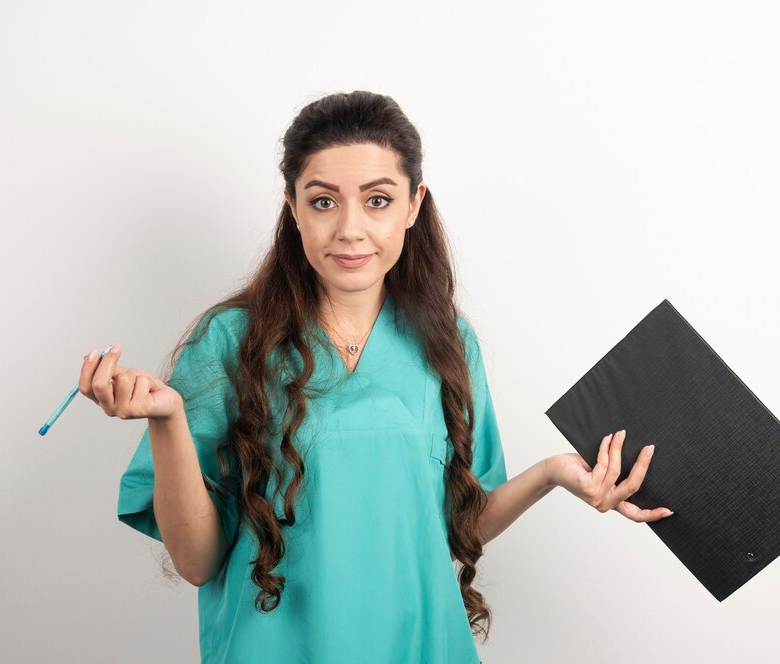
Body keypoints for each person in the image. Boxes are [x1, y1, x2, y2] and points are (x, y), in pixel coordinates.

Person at [77, 90, 673, 664]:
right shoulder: (231, 342)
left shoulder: (448, 344)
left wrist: (552, 474)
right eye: (323, 201)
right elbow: (198, 562)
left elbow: (452, 528)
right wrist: (169, 420)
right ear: (293, 208)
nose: (351, 230)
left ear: (414, 205)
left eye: (378, 200)